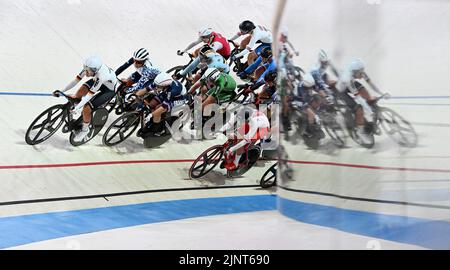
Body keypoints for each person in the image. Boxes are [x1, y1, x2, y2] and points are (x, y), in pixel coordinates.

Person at [53, 55, 117, 142]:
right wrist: (62, 91)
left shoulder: (101, 76)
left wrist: (78, 107)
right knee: (78, 93)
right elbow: (75, 81)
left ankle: (85, 130)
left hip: (108, 90)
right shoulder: (89, 68)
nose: (86, 73)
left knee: (87, 108)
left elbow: (89, 95)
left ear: (95, 70)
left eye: (88, 71)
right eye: (85, 70)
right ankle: (74, 111)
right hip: (99, 81)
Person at [336, 58, 384, 143]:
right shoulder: (348, 78)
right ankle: (361, 132)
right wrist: (369, 110)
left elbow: (370, 83)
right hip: (342, 91)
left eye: (363, 71)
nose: (362, 74)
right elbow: (358, 98)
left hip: (350, 84)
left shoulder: (359, 71)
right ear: (354, 72)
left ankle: (368, 117)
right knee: (358, 109)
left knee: (366, 94)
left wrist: (381, 93)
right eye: (360, 72)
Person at [219, 106, 270, 171]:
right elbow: (230, 123)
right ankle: (235, 151)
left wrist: (231, 149)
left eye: (242, 120)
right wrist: (221, 130)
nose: (240, 121)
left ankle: (236, 163)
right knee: (236, 135)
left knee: (243, 143)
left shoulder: (254, 122)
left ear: (248, 119)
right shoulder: (240, 112)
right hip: (251, 122)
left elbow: (246, 140)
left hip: (262, 129)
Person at [137, 72, 187, 137]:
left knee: (158, 109)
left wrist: (151, 115)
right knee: (152, 103)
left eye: (158, 87)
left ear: (165, 86)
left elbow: (163, 107)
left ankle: (155, 129)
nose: (156, 88)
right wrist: (134, 96)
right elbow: (146, 89)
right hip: (167, 93)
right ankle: (154, 120)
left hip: (179, 99)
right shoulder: (160, 82)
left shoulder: (172, 91)